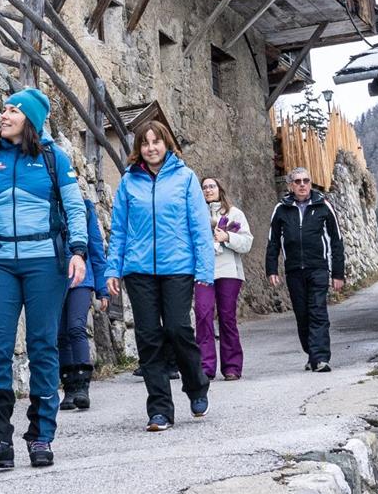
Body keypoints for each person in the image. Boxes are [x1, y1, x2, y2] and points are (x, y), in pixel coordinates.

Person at [0, 87, 88, 469]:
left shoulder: (54, 159)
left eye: (12, 110)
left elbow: (73, 206)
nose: (3, 115)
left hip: (45, 262)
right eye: (4, 110)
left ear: (30, 120)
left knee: (42, 347)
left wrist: (78, 252)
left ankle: (40, 437)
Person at [105, 121, 215, 430]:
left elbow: (199, 227)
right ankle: (160, 410)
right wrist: (113, 268)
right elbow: (120, 231)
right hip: (138, 270)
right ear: (138, 149)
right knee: (149, 337)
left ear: (166, 144)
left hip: (177, 267)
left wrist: (204, 270)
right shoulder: (129, 182)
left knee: (179, 329)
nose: (151, 147)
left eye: (156, 141)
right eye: (145, 143)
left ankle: (196, 386)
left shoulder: (185, 178)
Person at [265, 168, 346, 372]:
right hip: (294, 270)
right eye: (298, 181)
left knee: (318, 311)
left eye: (306, 181)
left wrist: (337, 273)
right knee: (302, 315)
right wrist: (271, 269)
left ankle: (320, 358)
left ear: (311, 183)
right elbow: (273, 242)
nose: (302, 185)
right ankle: (312, 354)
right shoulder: (281, 209)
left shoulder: (323, 206)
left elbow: (336, 242)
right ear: (291, 185)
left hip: (318, 268)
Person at [194, 176, 253, 381]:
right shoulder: (195, 215)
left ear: (220, 189)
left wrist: (227, 237)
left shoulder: (234, 214)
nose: (208, 190)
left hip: (228, 271)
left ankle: (232, 366)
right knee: (202, 315)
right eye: (204, 187)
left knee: (227, 318)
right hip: (203, 271)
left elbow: (246, 243)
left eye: (212, 186)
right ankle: (205, 366)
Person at [59, 189, 110, 411]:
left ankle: (82, 386)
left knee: (76, 328)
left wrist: (102, 289)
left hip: (81, 279)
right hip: (51, 279)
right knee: (59, 335)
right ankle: (68, 389)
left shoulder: (85, 208)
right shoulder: (43, 204)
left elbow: (96, 250)